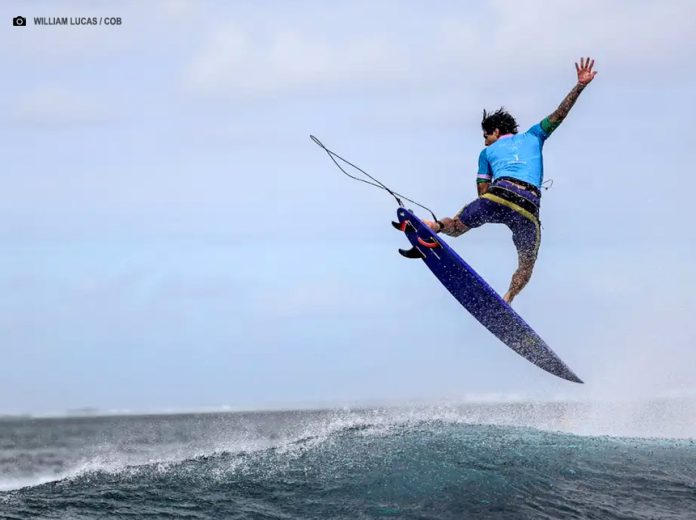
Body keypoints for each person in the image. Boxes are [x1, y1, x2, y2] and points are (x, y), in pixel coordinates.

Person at [424, 57, 598, 304]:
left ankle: (434, 227)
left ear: (496, 132)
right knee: (527, 264)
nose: (485, 141)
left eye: (486, 136)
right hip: (528, 208)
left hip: (499, 195)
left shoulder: (486, 153)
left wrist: (475, 217)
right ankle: (508, 298)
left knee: (455, 227)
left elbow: (483, 192)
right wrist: (580, 86)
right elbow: (560, 114)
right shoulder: (535, 135)